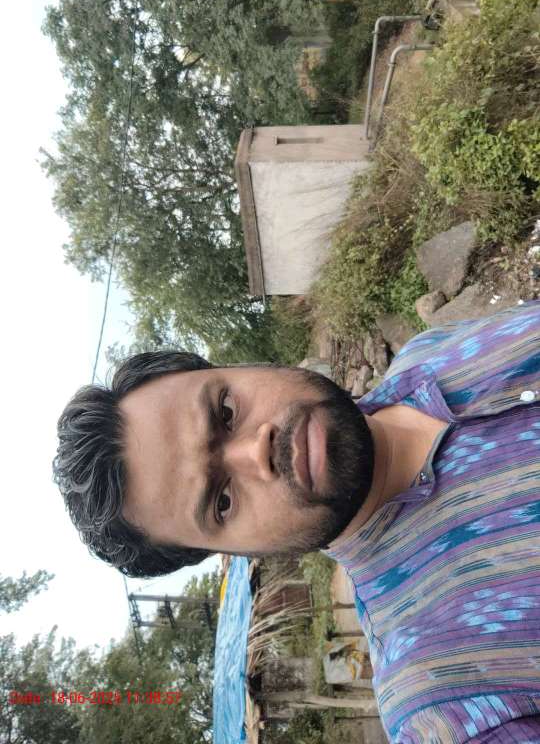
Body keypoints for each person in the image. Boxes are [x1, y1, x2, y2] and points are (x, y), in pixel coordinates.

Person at [55, 300, 540, 742]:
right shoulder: (447, 695)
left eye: (225, 412)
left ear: (238, 367)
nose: (255, 452)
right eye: (221, 501)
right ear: (232, 553)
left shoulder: (428, 355)